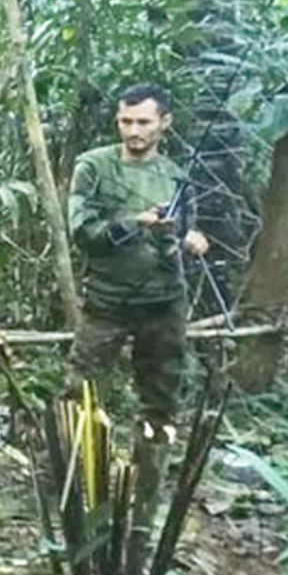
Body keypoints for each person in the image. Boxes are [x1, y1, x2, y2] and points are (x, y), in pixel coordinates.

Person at [67, 83, 208, 429]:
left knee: (161, 405)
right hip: (108, 300)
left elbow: (184, 232)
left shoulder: (176, 176)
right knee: (79, 396)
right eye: (125, 121)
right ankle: (71, 477)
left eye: (143, 122)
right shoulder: (94, 167)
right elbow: (83, 232)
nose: (133, 131)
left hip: (164, 301)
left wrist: (191, 239)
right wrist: (135, 222)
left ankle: (148, 478)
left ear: (164, 122)